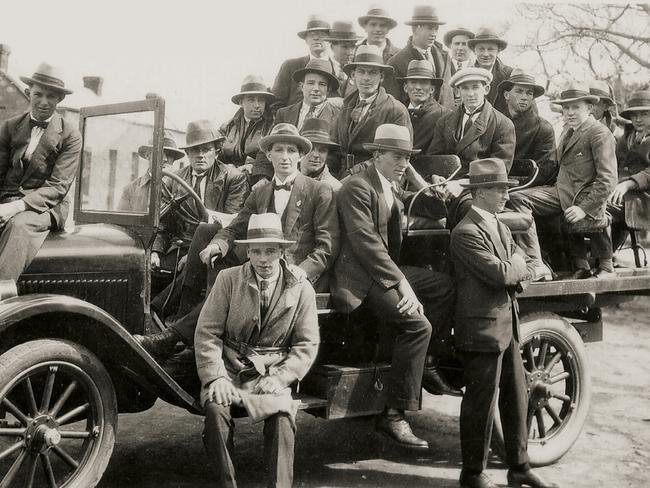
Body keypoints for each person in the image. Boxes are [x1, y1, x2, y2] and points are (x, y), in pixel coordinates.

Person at [137, 124, 338, 358]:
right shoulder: (261, 192)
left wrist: (301, 270)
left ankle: (173, 338)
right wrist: (217, 245)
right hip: (262, 264)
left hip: (294, 272)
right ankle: (187, 330)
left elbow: (327, 247)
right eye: (279, 150)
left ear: (300, 155)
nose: (285, 157)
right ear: (269, 155)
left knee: (233, 286)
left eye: (291, 151)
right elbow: (235, 228)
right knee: (211, 243)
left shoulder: (319, 191)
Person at [333, 124, 458, 451]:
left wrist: (417, 180)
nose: (404, 163)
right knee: (418, 326)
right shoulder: (356, 188)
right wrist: (403, 286)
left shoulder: (391, 188)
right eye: (397, 156)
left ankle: (426, 360)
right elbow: (367, 246)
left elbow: (436, 211)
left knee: (444, 287)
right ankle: (394, 414)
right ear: (376, 156)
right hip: (360, 277)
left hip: (383, 273)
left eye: (407, 157)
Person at [451, 157, 558, 488]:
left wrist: (515, 270)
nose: (505, 195)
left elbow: (520, 265)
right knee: (480, 405)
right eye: (499, 190)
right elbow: (500, 273)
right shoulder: (466, 232)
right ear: (480, 193)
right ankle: (472, 474)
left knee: (518, 396)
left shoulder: (498, 225)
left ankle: (519, 466)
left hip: (506, 327)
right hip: (481, 331)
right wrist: (513, 269)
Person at [196, 212, 319, 488]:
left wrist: (280, 378)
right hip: (229, 368)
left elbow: (306, 344)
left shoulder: (300, 287)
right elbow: (207, 333)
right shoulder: (228, 280)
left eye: (271, 251)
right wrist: (215, 377)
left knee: (281, 417)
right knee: (216, 411)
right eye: (257, 251)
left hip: (271, 372)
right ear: (248, 252)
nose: (264, 259)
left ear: (282, 251)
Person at [508, 83, 618, 280]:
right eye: (566, 108)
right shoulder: (568, 133)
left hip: (584, 197)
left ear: (590, 108)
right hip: (562, 192)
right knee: (517, 198)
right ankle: (536, 261)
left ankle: (605, 266)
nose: (570, 112)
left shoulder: (599, 133)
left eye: (576, 107)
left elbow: (608, 179)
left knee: (577, 212)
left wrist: (584, 208)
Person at [149, 120, 249, 312]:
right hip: (179, 246)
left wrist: (193, 254)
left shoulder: (233, 178)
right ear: (187, 154)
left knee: (194, 267)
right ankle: (149, 316)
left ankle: (158, 311)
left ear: (217, 151)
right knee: (143, 270)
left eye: (206, 149)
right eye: (195, 150)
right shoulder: (173, 180)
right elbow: (162, 223)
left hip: (215, 247)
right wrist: (156, 251)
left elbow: (229, 224)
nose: (201, 155)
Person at [0, 62, 81, 280]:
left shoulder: (70, 135)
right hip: (8, 201)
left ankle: (2, 293)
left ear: (60, 100)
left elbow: (58, 187)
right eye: (38, 94)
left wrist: (13, 208)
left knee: (19, 225)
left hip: (47, 208)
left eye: (51, 97)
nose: (44, 102)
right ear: (28, 93)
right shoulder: (9, 127)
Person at [427, 67, 515, 227]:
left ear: (486, 89)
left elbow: (499, 170)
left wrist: (462, 184)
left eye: (475, 87)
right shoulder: (445, 121)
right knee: (414, 203)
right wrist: (435, 176)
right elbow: (435, 157)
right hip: (445, 187)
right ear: (458, 91)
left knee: (470, 211)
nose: (470, 93)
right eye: (465, 88)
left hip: (480, 190)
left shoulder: (502, 124)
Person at [332, 45, 411, 174]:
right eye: (361, 72)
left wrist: (353, 174)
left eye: (373, 72)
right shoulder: (345, 107)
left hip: (377, 178)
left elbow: (399, 157)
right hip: (342, 176)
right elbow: (334, 150)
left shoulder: (395, 110)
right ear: (353, 75)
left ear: (382, 77)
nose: (366, 78)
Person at [384, 5, 454, 110]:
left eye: (436, 29)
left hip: (447, 121)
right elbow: (394, 104)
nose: (434, 34)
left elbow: (452, 92)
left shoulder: (445, 56)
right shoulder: (396, 62)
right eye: (430, 28)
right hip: (416, 124)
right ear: (415, 28)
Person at [499, 69, 557, 186]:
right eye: (519, 91)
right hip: (495, 184)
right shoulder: (495, 122)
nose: (524, 97)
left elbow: (546, 171)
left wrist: (510, 184)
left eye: (529, 93)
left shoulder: (543, 128)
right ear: (506, 95)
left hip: (526, 187)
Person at [609, 90, 650, 243]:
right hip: (620, 193)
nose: (638, 119)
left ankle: (604, 259)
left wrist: (628, 184)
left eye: (644, 114)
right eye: (634, 115)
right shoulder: (626, 137)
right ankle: (590, 259)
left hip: (643, 199)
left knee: (600, 209)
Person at [219, 75, 275, 181]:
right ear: (241, 102)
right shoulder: (227, 127)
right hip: (226, 178)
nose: (257, 105)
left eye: (261, 100)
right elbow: (215, 157)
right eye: (251, 100)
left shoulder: (272, 127)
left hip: (257, 179)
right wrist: (229, 168)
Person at [272, 15, 331, 109]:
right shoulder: (290, 66)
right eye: (311, 34)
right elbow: (276, 102)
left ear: (330, 39)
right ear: (306, 40)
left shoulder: (338, 69)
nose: (316, 38)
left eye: (321, 34)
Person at [117, 132, 185, 213]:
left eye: (169, 155)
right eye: (160, 154)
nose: (165, 159)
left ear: (174, 159)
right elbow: (121, 221)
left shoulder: (181, 189)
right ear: (148, 156)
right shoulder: (130, 189)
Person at [399, 60, 451, 152]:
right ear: (405, 88)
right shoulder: (398, 111)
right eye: (413, 82)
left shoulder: (443, 115)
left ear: (432, 89)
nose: (418, 88)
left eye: (423, 83)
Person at [274, 59, 340, 131]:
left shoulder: (339, 117)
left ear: (328, 89)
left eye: (322, 84)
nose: (316, 89)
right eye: (310, 83)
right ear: (301, 86)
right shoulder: (284, 114)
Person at [468, 27, 513, 114]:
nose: (485, 54)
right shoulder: (467, 76)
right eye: (481, 49)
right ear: (474, 51)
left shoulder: (510, 75)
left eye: (490, 49)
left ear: (498, 51)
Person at [299, 118, 342, 192]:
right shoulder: (286, 176)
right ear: (300, 151)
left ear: (328, 154)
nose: (316, 155)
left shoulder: (334, 188)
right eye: (311, 149)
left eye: (322, 150)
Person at [325, 20, 361, 99]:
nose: (350, 52)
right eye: (345, 47)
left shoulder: (359, 72)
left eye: (352, 47)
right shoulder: (323, 69)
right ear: (332, 47)